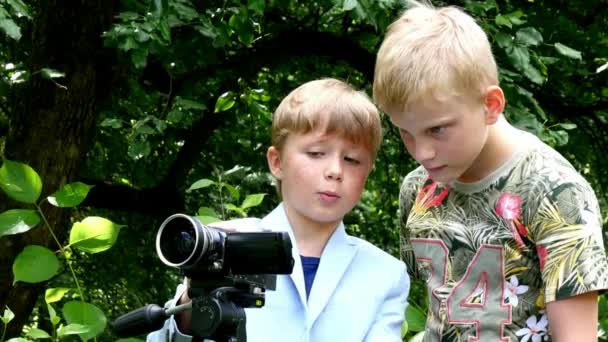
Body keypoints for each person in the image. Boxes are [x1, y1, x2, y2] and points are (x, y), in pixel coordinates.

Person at [373, 1, 608, 341]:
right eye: (405, 132)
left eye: (438, 129)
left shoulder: (554, 192)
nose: (422, 152)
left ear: (491, 105)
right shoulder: (417, 189)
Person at [147, 78, 410, 342]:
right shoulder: (226, 244)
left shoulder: (385, 273)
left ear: (368, 174)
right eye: (316, 153)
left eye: (352, 160)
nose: (335, 171)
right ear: (277, 162)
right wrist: (194, 296)